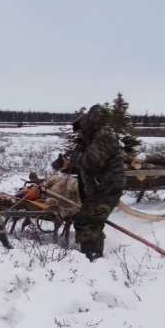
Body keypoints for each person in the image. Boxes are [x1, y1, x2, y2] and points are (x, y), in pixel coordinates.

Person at [51, 104, 125, 261]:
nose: (78, 136)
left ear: (86, 129)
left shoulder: (103, 137)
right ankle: (96, 258)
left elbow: (91, 161)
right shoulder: (89, 141)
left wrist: (74, 158)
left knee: (85, 221)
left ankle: (91, 258)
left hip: (106, 191)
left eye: (79, 132)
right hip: (97, 191)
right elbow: (83, 165)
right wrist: (65, 165)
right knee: (92, 223)